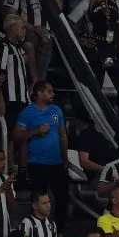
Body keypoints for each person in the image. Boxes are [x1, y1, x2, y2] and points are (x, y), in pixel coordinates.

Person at [15, 81, 69, 229]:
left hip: (56, 163)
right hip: (37, 164)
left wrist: (65, 159)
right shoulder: (26, 113)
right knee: (39, 200)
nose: (53, 94)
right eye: (49, 91)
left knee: (63, 198)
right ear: (39, 93)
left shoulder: (57, 111)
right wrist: (36, 131)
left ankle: (59, 230)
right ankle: (37, 229)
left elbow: (62, 135)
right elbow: (17, 136)